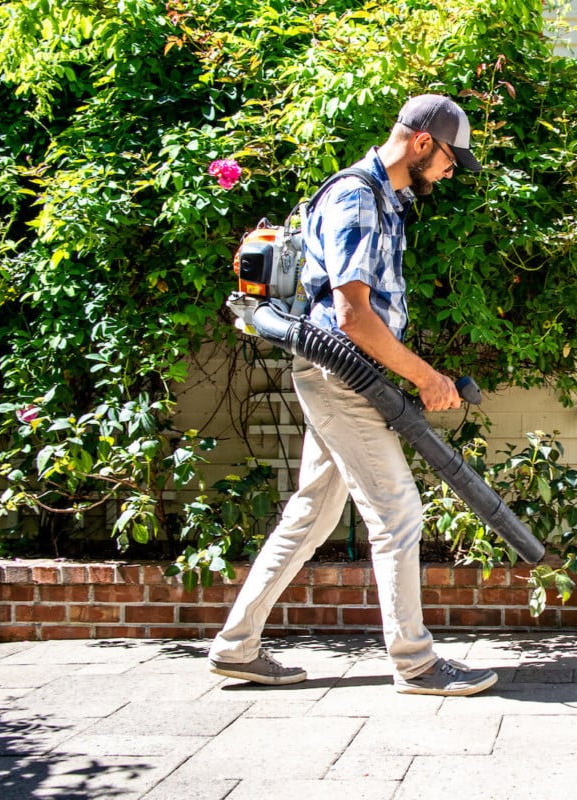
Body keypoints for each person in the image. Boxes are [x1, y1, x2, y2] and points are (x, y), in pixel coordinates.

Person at [208, 95, 498, 697]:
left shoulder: (383, 201)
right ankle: (417, 664)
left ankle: (236, 647)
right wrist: (426, 377)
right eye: (449, 160)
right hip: (343, 377)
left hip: (344, 377)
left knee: (309, 517)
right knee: (398, 514)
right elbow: (353, 320)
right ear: (422, 143)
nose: (449, 173)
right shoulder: (358, 198)